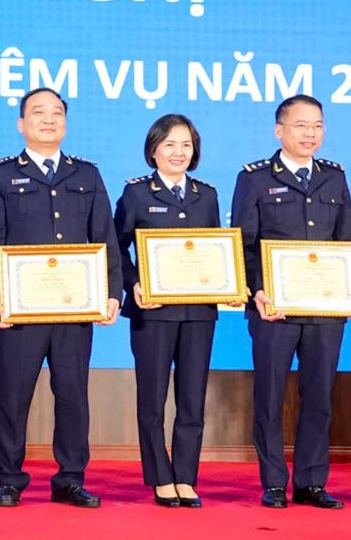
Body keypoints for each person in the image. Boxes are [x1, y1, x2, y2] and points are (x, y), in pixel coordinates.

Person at [0, 88, 120, 509]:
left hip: (75, 309)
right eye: (38, 113)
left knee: (73, 394)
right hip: (20, 308)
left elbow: (104, 237)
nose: (48, 119)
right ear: (21, 123)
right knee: (13, 395)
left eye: (57, 113)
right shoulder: (1, 175)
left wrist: (111, 292)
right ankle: (8, 479)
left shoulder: (87, 175)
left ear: (66, 123)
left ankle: (70, 479)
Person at [231, 94, 351, 510]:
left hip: (325, 311)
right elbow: (244, 244)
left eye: (318, 125)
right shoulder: (253, 178)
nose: (311, 133)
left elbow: (348, 241)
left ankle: (311, 482)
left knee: (319, 396)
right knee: (270, 397)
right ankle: (273, 482)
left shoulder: (335, 177)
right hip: (275, 310)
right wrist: (258, 291)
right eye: (301, 125)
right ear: (279, 130)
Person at [115, 113, 231, 508]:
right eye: (169, 144)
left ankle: (186, 476)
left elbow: (216, 251)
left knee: (192, 399)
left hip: (199, 312)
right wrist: (133, 284)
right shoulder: (135, 194)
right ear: (153, 150)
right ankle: (160, 477)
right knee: (152, 399)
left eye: (185, 144)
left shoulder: (208, 194)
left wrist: (228, 285)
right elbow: (117, 248)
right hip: (153, 312)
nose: (178, 152)